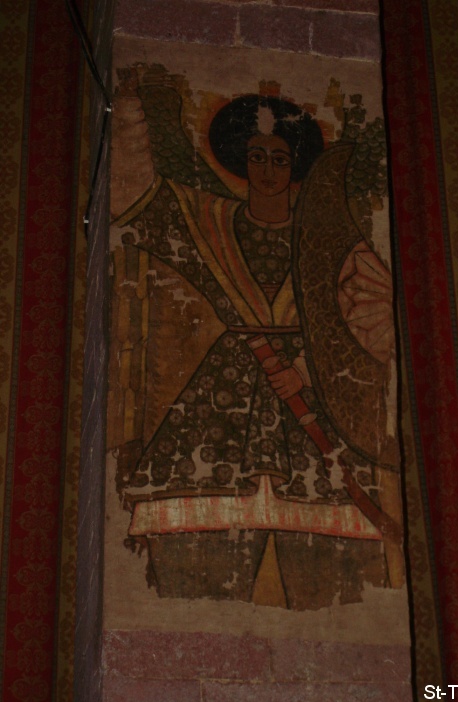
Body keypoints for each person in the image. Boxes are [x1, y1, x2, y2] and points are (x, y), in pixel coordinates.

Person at [112, 90, 400, 609]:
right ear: (241, 162)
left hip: (312, 405)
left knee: (332, 565)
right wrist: (128, 111)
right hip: (221, 404)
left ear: (296, 166)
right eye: (257, 157)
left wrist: (307, 371)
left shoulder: (329, 235)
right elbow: (138, 197)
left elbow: (380, 314)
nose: (268, 170)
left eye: (280, 159)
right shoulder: (208, 220)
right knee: (194, 550)